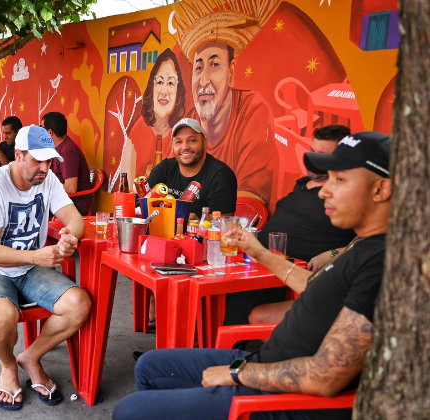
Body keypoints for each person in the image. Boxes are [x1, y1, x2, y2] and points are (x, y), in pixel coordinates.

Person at [114, 131, 392, 420]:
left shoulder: (383, 262)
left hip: (281, 397)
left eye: (340, 180)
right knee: (149, 366)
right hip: (268, 361)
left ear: (381, 190)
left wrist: (239, 373)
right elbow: (314, 287)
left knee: (129, 411)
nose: (323, 191)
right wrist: (258, 252)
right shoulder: (363, 245)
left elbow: (325, 375)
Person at [0, 124, 91, 411]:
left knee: (79, 304)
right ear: (18, 155)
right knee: (1, 319)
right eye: (37, 160)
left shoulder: (47, 179)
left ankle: (30, 357)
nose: (45, 167)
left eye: (49, 160)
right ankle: (8, 365)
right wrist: (37, 257)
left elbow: (75, 218)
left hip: (30, 268)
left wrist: (71, 236)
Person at [224, 125, 357, 328]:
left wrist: (332, 254)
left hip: (287, 273)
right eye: (312, 151)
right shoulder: (303, 184)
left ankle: (217, 355)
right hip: (255, 262)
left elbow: (368, 242)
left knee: (237, 302)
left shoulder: (347, 195)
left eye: (322, 155)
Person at [174, 0, 280, 205]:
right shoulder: (190, 123)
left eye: (215, 64)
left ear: (231, 73)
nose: (204, 80)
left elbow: (250, 203)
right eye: (198, 68)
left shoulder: (252, 110)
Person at [147, 118, 237, 221]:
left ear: (204, 143)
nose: (185, 147)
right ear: (172, 147)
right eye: (179, 142)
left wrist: (197, 224)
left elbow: (223, 227)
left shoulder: (221, 176)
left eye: (192, 140)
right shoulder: (164, 169)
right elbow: (145, 208)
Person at [128, 48, 187, 179]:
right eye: (160, 82)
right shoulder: (137, 132)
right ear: (152, 86)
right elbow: (125, 186)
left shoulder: (184, 132)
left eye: (171, 83)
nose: (164, 91)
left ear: (178, 92)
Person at [42, 112, 93, 216]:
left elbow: (71, 188)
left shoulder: (67, 151)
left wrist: (46, 193)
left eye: (42, 129)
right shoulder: (57, 148)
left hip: (75, 203)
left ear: (50, 132)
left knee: (34, 211)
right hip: (64, 199)